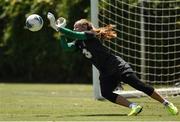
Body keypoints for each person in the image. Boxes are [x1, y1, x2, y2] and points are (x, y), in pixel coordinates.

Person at [47, 12, 178, 116]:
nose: (75, 28)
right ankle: (134, 106)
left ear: (85, 27)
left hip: (117, 66)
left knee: (140, 86)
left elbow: (74, 34)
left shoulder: (90, 34)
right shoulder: (78, 43)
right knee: (106, 93)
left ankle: (167, 103)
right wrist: (61, 32)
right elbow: (66, 48)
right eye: (74, 27)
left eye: (77, 26)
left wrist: (61, 28)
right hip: (105, 72)